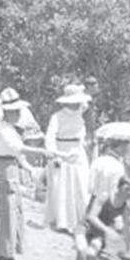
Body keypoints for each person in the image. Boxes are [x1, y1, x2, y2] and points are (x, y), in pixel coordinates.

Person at [0, 88, 61, 260]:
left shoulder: (11, 129)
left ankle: (6, 251)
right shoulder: (2, 128)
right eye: (14, 111)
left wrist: (28, 168)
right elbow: (17, 147)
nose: (17, 114)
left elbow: (17, 154)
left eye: (18, 111)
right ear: (7, 112)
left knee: (10, 210)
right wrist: (42, 151)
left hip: (9, 168)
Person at [73, 135, 130, 260]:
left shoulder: (125, 206)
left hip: (98, 233)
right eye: (127, 190)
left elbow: (126, 227)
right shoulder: (104, 196)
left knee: (92, 251)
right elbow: (91, 217)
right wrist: (108, 230)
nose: (129, 194)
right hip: (85, 227)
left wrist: (128, 248)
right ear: (120, 187)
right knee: (82, 249)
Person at [44, 84, 92, 234]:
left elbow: (86, 105)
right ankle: (63, 221)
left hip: (78, 151)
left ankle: (82, 219)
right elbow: (50, 137)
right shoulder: (57, 117)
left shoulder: (80, 113)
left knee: (81, 184)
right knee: (62, 185)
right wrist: (54, 154)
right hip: (62, 151)